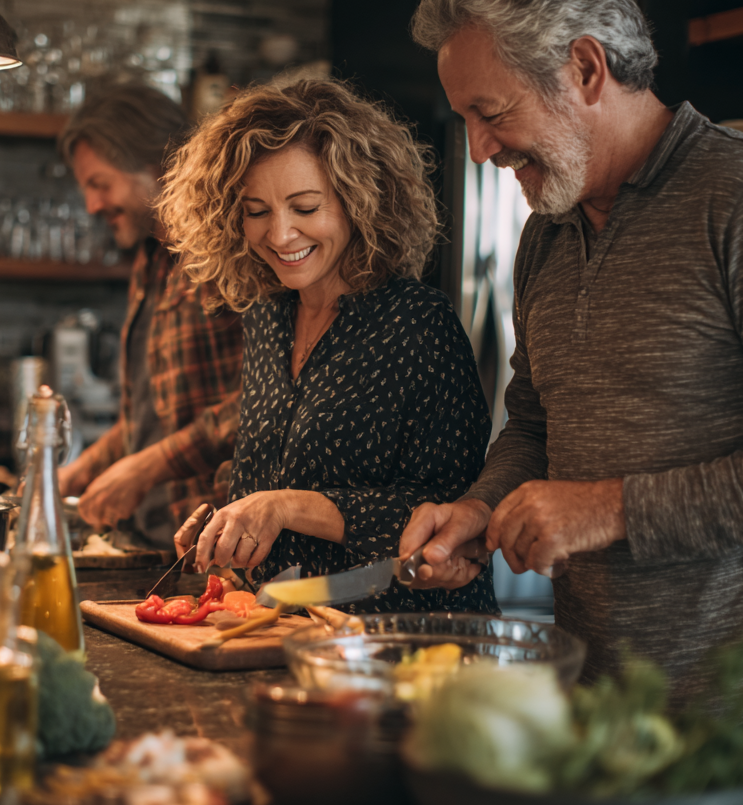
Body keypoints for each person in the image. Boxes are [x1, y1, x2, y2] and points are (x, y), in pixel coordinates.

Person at [399, 0, 743, 720]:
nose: (479, 150)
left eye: (491, 113)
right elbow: (536, 421)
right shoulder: (547, 230)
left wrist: (611, 509)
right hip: (595, 700)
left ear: (586, 68)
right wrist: (482, 508)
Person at [160, 80, 496, 613]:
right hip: (289, 633)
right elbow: (271, 485)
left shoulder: (417, 324)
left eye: (305, 207)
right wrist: (229, 523)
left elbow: (452, 520)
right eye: (256, 211)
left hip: (402, 644)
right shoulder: (269, 317)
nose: (280, 234)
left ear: (360, 201)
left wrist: (284, 507)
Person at [56, 83, 243, 547]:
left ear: (154, 166)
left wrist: (149, 466)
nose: (92, 205)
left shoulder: (226, 250)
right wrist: (83, 468)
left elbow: (261, 402)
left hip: (215, 539)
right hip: (154, 534)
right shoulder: (152, 258)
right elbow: (153, 414)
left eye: (100, 184)